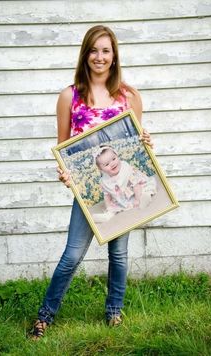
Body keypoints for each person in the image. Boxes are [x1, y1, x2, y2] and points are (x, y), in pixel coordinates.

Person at [32, 25, 153, 340]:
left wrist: (146, 142)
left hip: (123, 190)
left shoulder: (128, 96)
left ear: (114, 57)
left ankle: (114, 311)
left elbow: (136, 144)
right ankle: (45, 316)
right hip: (89, 192)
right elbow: (63, 149)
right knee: (72, 255)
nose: (100, 57)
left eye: (106, 50)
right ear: (85, 54)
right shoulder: (69, 96)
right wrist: (65, 172)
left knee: (119, 255)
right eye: (94, 50)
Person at [92, 144, 157, 223]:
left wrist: (137, 199)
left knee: (145, 190)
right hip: (123, 198)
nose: (112, 164)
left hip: (137, 189)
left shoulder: (125, 169)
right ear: (100, 169)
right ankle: (107, 216)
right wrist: (109, 207)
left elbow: (136, 185)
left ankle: (145, 198)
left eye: (113, 159)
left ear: (117, 155)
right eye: (107, 164)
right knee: (114, 207)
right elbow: (107, 195)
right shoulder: (104, 181)